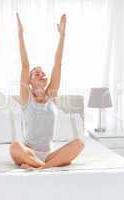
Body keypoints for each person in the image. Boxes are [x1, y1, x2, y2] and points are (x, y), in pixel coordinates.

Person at [10, 13, 84, 169]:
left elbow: (58, 63)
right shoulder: (26, 97)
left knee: (79, 143)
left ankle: (40, 167)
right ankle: (46, 165)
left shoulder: (51, 95)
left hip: (49, 154)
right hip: (28, 152)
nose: (42, 74)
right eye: (37, 73)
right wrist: (20, 35)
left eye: (43, 73)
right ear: (29, 82)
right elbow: (25, 66)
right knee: (15, 146)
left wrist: (62, 35)